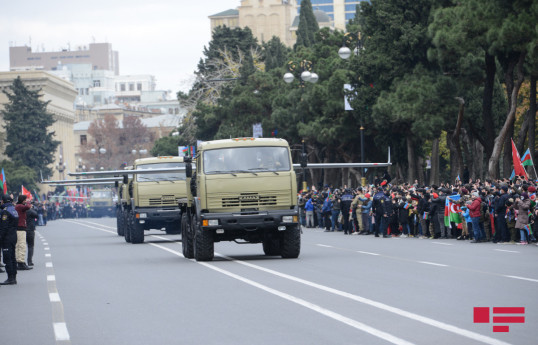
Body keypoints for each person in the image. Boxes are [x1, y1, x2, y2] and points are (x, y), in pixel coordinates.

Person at [0, 194, 19, 285]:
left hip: (7, 237)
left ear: (3, 201)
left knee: (7, 258)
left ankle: (10, 278)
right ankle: (14, 277)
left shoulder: (5, 212)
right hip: (13, 236)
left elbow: (4, 227)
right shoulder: (14, 210)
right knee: (12, 257)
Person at [15, 195, 32, 270]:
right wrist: (28, 202)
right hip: (20, 229)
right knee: (22, 245)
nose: (26, 201)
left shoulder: (18, 206)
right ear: (23, 200)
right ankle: (21, 262)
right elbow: (28, 207)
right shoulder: (20, 206)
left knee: (18, 245)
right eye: (25, 200)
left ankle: (19, 261)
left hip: (18, 228)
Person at [26, 202, 38, 267]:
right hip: (30, 230)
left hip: (22, 229)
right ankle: (29, 261)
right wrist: (32, 208)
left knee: (19, 247)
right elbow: (36, 215)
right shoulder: (30, 211)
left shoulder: (20, 210)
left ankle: (19, 261)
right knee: (30, 246)